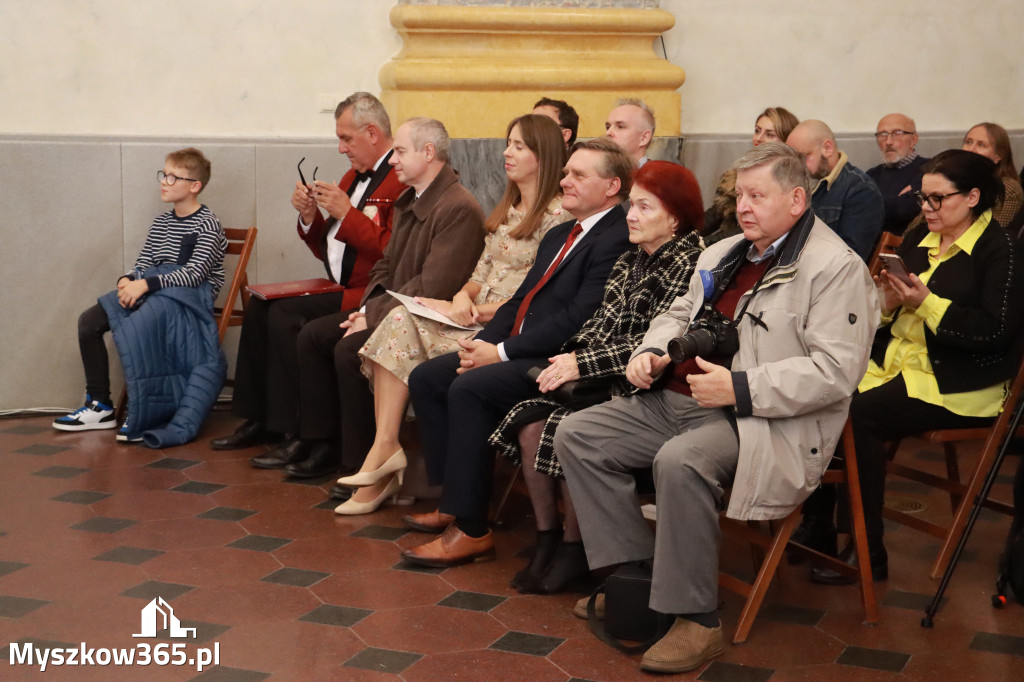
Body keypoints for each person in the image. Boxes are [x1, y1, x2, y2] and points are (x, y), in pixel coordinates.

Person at [554, 142, 877, 673]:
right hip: (679, 399)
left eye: (757, 195)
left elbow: (836, 373)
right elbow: (677, 311)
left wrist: (741, 388)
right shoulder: (724, 251)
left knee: (681, 461)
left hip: (760, 418)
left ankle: (695, 619)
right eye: (739, 195)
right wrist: (652, 350)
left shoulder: (835, 268)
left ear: (797, 200)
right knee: (579, 434)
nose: (743, 206)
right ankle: (638, 579)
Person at [399, 138, 633, 566]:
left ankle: (471, 530)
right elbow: (521, 299)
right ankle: (455, 499)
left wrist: (501, 353)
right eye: (566, 172)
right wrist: (486, 342)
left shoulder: (616, 238)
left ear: (613, 186)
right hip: (520, 347)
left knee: (469, 387)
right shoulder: (563, 232)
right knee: (428, 377)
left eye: (579, 175)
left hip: (561, 361)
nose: (565, 180)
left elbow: (576, 319)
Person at [331, 114, 567, 514]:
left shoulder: (557, 219)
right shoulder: (509, 209)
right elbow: (478, 274)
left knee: (399, 328)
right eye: (507, 143)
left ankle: (386, 456)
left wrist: (471, 309)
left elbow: (534, 298)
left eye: (519, 146)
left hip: (503, 328)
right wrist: (462, 297)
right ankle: (385, 447)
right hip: (476, 315)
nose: (506, 152)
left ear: (543, 157)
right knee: (398, 321)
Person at [809, 149, 1024, 586]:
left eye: (937, 200)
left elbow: (994, 331)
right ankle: (818, 527)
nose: (925, 209)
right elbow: (885, 314)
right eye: (923, 199)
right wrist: (885, 304)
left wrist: (927, 304)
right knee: (819, 396)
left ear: (973, 197)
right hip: (896, 365)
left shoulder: (1000, 249)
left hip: (960, 381)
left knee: (858, 417)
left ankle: (867, 550)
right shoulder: (918, 240)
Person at [489, 161, 704, 594]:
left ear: (675, 217)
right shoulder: (631, 257)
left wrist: (581, 365)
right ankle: (549, 537)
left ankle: (576, 546)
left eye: (645, 207)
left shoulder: (690, 259)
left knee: (561, 426)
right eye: (632, 206)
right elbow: (601, 324)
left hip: (642, 382)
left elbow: (655, 340)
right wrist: (569, 355)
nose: (631, 216)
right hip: (598, 371)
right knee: (529, 424)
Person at [282, 117, 485, 480]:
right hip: (393, 309)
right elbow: (385, 263)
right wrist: (365, 310)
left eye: (400, 152)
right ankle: (322, 442)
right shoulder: (412, 198)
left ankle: (363, 462)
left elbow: (434, 286)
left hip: (425, 320)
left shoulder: (458, 207)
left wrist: (370, 315)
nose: (392, 161)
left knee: (348, 351)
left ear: (428, 153)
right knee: (314, 336)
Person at [211, 92, 405, 454]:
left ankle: (295, 429)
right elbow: (328, 245)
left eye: (346, 138)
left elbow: (392, 252)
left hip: (367, 293)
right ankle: (259, 418)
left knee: (286, 316)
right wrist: (309, 216)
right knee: (259, 308)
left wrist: (348, 214)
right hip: (338, 282)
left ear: (373, 134)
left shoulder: (400, 179)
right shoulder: (351, 176)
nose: (341, 149)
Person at [54, 148, 227, 442]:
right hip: (155, 291)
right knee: (90, 321)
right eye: (164, 174)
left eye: (174, 177)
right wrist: (128, 279)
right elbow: (143, 263)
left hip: (188, 298)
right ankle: (100, 405)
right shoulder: (161, 223)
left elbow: (195, 274)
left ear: (194, 185)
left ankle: (144, 410)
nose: (164, 181)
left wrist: (145, 285)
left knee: (139, 325)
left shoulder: (207, 224)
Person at [786, 119, 884, 261]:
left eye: (802, 157)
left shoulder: (861, 191)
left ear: (827, 148)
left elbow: (850, 258)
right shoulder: (799, 182)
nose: (797, 167)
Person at [703, 107, 799, 246]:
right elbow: (716, 212)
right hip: (731, 244)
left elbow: (754, 227)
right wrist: (684, 234)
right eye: (757, 131)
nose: (759, 139)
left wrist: (705, 243)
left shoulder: (789, 179)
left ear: (786, 141)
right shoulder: (739, 173)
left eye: (770, 134)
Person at [866, 113, 930, 235]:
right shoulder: (871, 175)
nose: (888, 141)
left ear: (914, 140)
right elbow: (857, 211)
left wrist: (872, 205)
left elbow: (907, 208)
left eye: (897, 133)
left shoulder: (929, 169)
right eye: (883, 134)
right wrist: (896, 202)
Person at [961, 122, 1024, 229]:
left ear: (998, 155)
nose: (971, 149)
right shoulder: (953, 180)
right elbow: (923, 222)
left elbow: (991, 233)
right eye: (968, 142)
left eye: (981, 145)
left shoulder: (1008, 189)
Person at [605, 98, 655, 167]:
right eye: (608, 127)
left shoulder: (658, 176)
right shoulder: (599, 174)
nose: (608, 133)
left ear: (644, 138)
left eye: (620, 127)